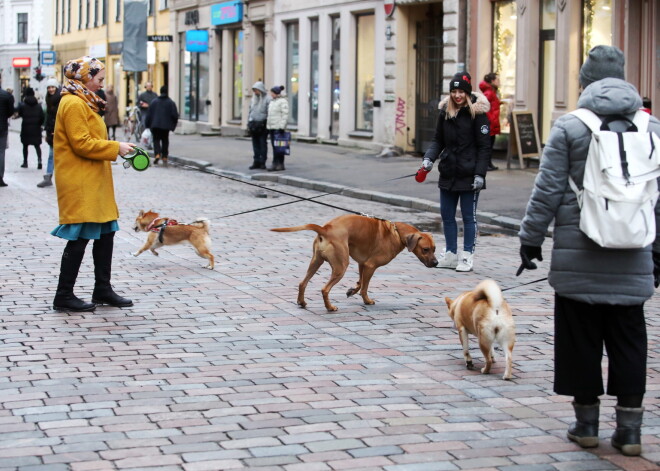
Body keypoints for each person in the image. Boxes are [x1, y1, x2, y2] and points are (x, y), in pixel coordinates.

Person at [518, 45, 660, 457]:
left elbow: (546, 191)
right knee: (630, 341)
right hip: (633, 253)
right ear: (623, 78)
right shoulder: (651, 128)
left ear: (584, 83)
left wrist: (530, 240)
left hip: (578, 254)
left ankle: (586, 425)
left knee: (580, 340)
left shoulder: (569, 127)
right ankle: (630, 432)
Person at [51, 56, 136, 312]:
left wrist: (116, 147)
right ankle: (63, 295)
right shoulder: (74, 104)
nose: (101, 84)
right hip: (80, 181)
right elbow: (82, 143)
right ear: (86, 77)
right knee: (80, 237)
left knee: (106, 232)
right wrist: (116, 147)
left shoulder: (85, 101)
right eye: (99, 79)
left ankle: (103, 289)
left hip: (92, 179)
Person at [420, 72, 491, 272]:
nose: (457, 95)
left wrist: (480, 174)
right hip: (448, 171)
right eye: (454, 91)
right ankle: (451, 254)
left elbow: (484, 148)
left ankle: (467, 255)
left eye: (461, 91)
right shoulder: (445, 113)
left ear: (467, 93)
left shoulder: (478, 115)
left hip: (470, 174)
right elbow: (438, 140)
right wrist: (428, 159)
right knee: (447, 216)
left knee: (469, 217)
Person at [145, 85, 179, 167]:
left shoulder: (154, 102)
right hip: (166, 126)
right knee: (165, 140)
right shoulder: (171, 102)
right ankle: (164, 156)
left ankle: (157, 154)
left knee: (156, 139)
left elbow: (149, 115)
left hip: (155, 125)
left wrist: (147, 125)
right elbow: (175, 115)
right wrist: (173, 125)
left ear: (160, 92)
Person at [37, 78, 63, 188]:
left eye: (52, 87)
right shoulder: (49, 99)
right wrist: (47, 132)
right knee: (51, 155)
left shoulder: (61, 99)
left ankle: (63, 178)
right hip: (51, 131)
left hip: (59, 132)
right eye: (49, 87)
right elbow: (49, 117)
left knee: (60, 156)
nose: (51, 89)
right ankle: (48, 177)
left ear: (56, 88)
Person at [17, 87, 44, 169]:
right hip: (36, 128)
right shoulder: (39, 106)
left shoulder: (22, 105)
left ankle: (25, 162)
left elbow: (20, 114)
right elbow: (42, 117)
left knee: (25, 146)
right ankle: (39, 161)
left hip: (26, 127)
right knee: (37, 146)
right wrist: (39, 124)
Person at [479, 72, 501, 170]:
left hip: (492, 121)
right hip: (490, 122)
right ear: (492, 81)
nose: (499, 82)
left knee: (490, 145)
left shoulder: (492, 91)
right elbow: (484, 107)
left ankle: (489, 163)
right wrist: (490, 119)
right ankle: (486, 164)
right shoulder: (489, 93)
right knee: (487, 145)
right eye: (497, 80)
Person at [247, 81, 271, 170]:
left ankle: (262, 162)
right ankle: (256, 161)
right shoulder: (253, 99)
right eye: (254, 90)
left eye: (256, 90)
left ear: (261, 90)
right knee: (255, 144)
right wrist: (248, 122)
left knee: (262, 144)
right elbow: (250, 111)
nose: (255, 92)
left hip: (263, 125)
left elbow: (270, 112)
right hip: (254, 124)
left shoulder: (267, 99)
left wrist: (267, 124)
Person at [266, 85, 289, 172]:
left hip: (278, 128)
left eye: (272, 92)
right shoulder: (272, 102)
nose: (271, 94)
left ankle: (279, 164)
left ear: (276, 93)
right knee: (275, 146)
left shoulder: (282, 101)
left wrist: (282, 126)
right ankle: (275, 163)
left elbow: (285, 115)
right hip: (272, 127)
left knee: (279, 147)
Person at [0, 85, 15, 187]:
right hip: (2, 127)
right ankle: (0, 177)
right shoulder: (6, 95)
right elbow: (11, 112)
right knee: (1, 152)